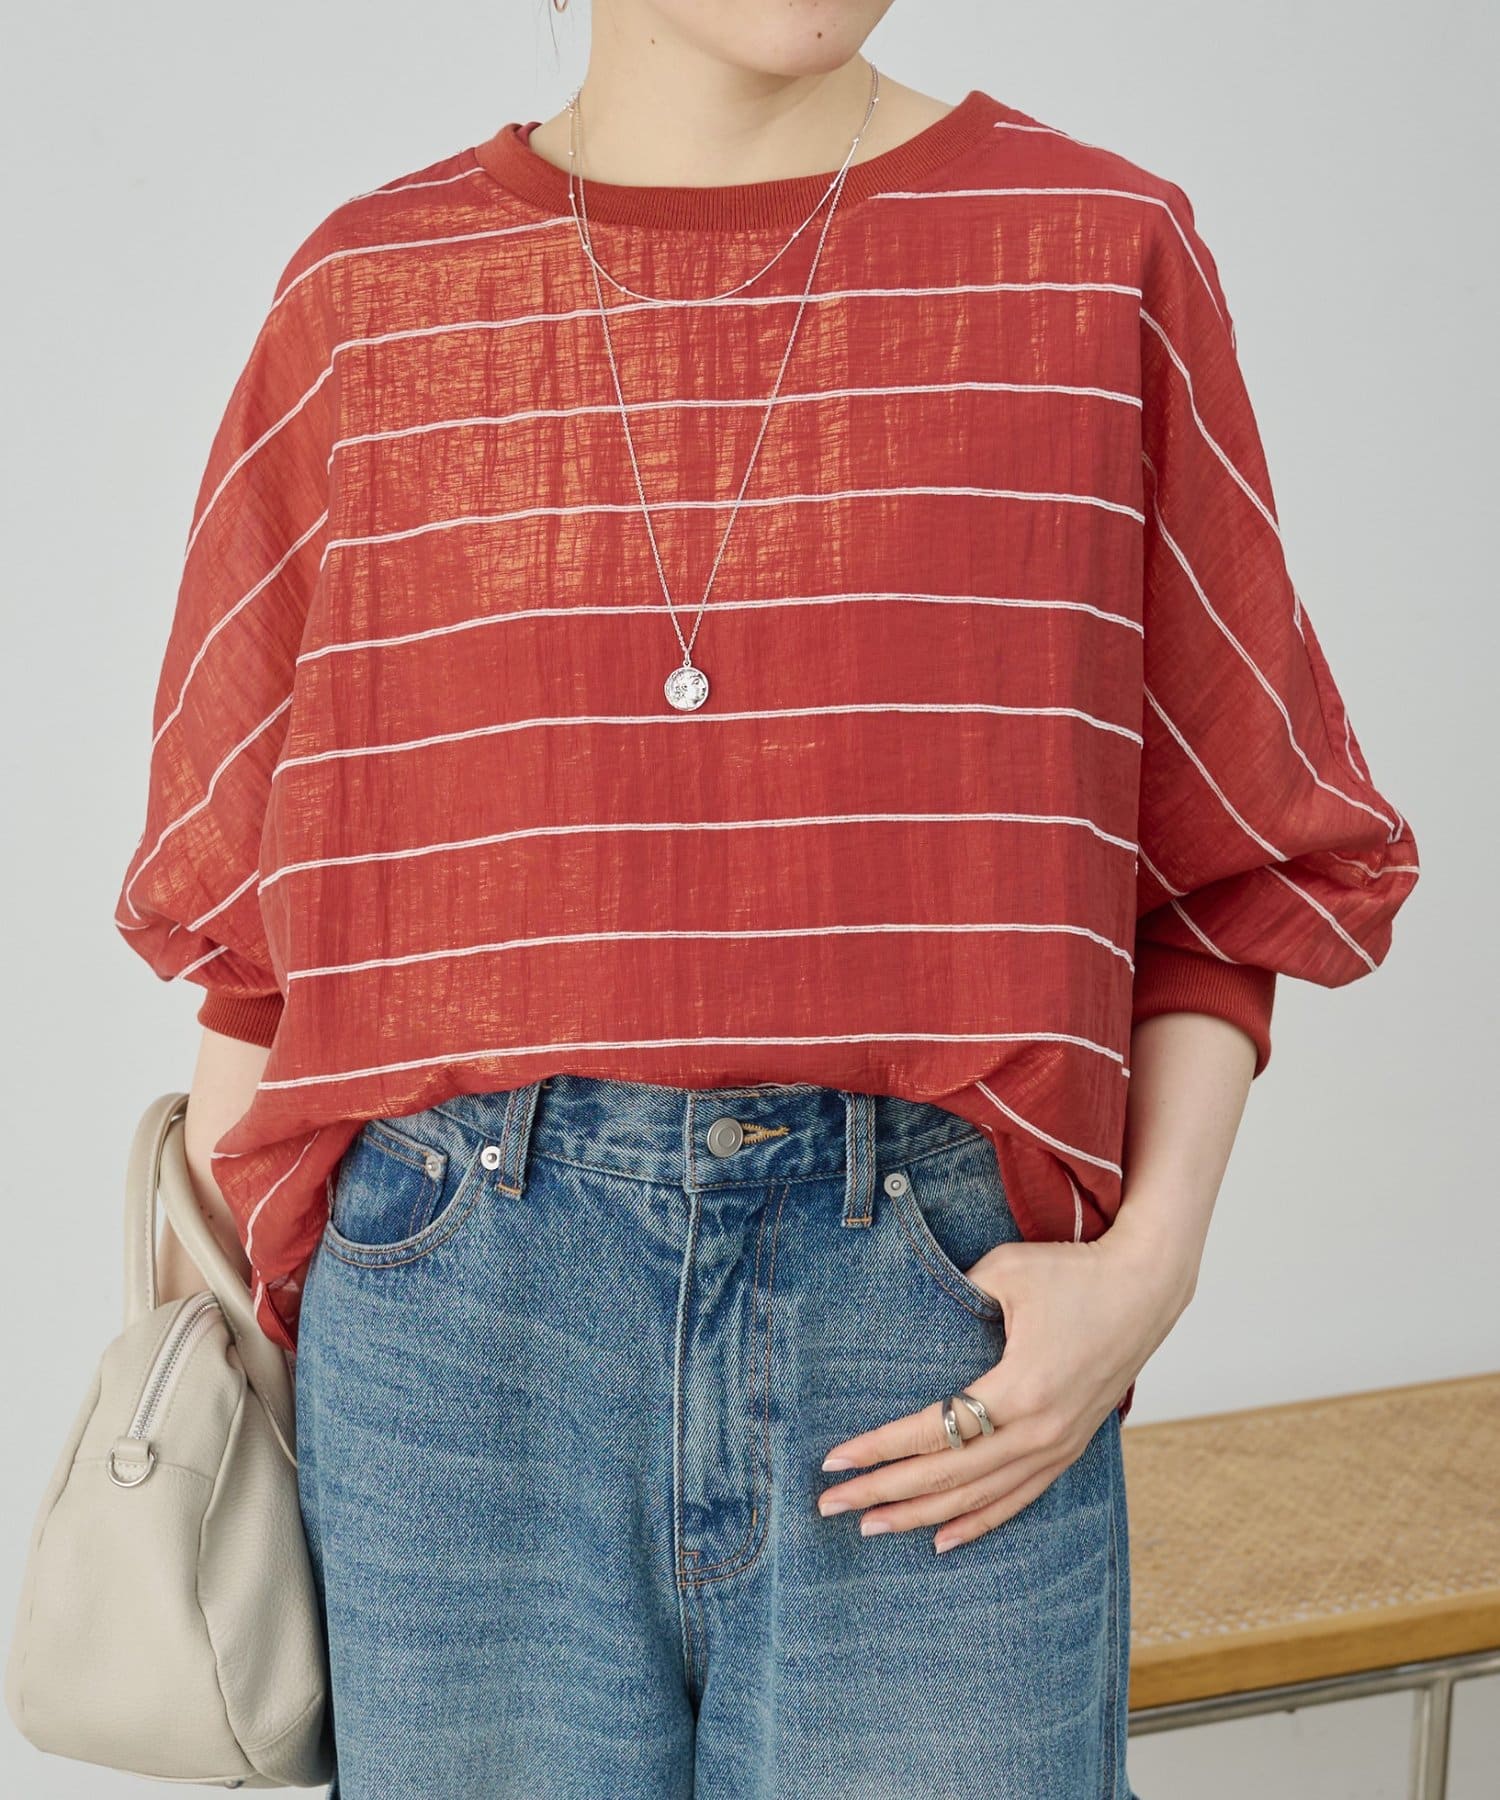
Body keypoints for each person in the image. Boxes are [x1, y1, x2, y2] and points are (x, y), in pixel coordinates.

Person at [116, 3, 1420, 1794]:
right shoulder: (372, 301)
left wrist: (1152, 1270)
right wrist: (224, 1380)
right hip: (457, 1343)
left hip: (935, 1327)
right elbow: (261, 945)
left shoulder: (1091, 253)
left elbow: (1236, 860)